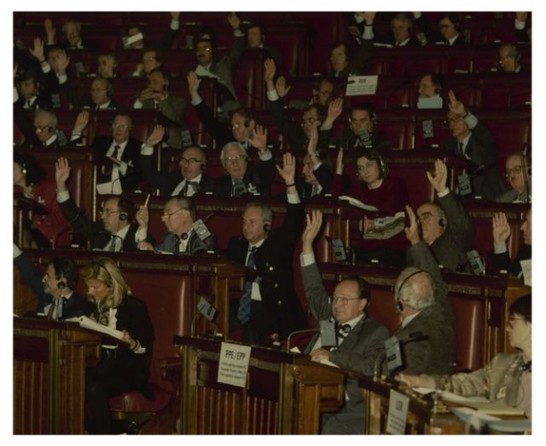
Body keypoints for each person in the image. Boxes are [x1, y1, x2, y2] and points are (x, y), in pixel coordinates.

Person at [300, 209, 389, 434]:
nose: (337, 304)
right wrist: (308, 245)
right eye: (335, 299)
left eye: (345, 300)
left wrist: (332, 356)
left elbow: (372, 366)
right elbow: (313, 288)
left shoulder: (376, 332)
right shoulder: (328, 317)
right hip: (307, 390)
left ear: (362, 304)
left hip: (346, 404)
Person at [398, 294, 532, 421]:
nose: (508, 329)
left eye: (512, 322)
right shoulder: (502, 364)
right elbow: (465, 384)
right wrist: (422, 381)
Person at [223, 153, 306, 345]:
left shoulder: (277, 245)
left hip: (271, 310)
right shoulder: (237, 246)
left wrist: (291, 185)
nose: (246, 227)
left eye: (252, 222)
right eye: (244, 222)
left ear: (267, 224)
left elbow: (294, 221)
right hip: (238, 308)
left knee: (252, 332)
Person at [81, 257, 154, 434]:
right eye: (89, 286)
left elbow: (144, 348)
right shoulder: (94, 307)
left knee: (93, 386)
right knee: (74, 378)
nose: (91, 292)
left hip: (128, 370)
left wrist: (133, 343)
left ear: (111, 285)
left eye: (95, 287)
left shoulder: (134, 307)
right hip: (102, 365)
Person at [386, 205, 456, 376]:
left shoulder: (419, 333)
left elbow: (434, 280)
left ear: (399, 303)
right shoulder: (437, 315)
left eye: (426, 216)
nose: (420, 221)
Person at [331, 148, 409, 267]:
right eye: (360, 168)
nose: (365, 171)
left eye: (369, 165)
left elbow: (389, 209)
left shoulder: (396, 184)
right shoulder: (358, 190)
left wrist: (366, 218)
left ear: (380, 164)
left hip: (393, 247)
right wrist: (338, 171)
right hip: (366, 248)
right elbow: (336, 203)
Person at [55, 157, 149, 251]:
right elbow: (74, 217)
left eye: (108, 212)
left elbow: (142, 254)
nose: (103, 216)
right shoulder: (100, 231)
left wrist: (143, 227)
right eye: (102, 212)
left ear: (123, 216)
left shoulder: (137, 236)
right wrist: (61, 184)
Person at [441, 90, 505, 201]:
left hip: (486, 197)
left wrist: (464, 114)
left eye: (456, 119)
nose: (452, 124)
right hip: (457, 199)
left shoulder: (482, 142)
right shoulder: (447, 147)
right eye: (450, 120)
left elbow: (482, 132)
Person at [413, 159, 474, 272]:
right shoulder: (413, 248)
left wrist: (442, 190)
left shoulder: (452, 244)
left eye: (426, 217)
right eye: (418, 219)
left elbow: (462, 226)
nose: (420, 222)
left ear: (442, 222)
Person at [263, 58, 334, 150]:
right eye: (304, 121)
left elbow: (325, 133)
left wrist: (330, 119)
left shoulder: (326, 138)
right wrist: (269, 81)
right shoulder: (298, 137)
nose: (306, 125)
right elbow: (280, 116)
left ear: (320, 122)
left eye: (311, 120)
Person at [13, 244, 90, 319]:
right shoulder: (46, 295)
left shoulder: (78, 308)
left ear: (62, 281)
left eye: (48, 276)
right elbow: (30, 274)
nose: (43, 279)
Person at [192, 12, 245, 120]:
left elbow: (237, 52)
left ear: (213, 51)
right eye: (198, 49)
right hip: (200, 116)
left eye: (206, 48)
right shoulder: (191, 72)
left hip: (227, 115)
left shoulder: (224, 66)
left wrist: (236, 29)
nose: (201, 52)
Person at [187, 70, 260, 149]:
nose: (234, 129)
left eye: (238, 124)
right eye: (232, 125)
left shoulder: (262, 143)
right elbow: (208, 119)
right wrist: (194, 93)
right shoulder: (226, 138)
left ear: (251, 124)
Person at [76, 112, 143, 194]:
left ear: (130, 129)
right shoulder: (99, 142)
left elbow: (138, 174)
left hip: (123, 191)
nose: (118, 129)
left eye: (122, 126)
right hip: (94, 187)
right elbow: (81, 156)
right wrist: (77, 131)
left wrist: (116, 161)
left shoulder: (138, 148)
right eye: (116, 125)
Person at [14, 152, 71, 248]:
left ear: (25, 170)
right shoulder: (12, 192)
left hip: (47, 236)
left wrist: (35, 218)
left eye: (13, 169)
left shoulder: (48, 189)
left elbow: (60, 221)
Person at [140, 126, 214, 196]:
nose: (186, 165)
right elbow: (149, 173)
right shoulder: (173, 179)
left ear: (203, 165)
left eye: (192, 161)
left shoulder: (211, 186)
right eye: (184, 160)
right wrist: (148, 146)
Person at [136, 196, 216, 255]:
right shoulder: (169, 238)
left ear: (185, 214)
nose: (163, 219)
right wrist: (143, 225)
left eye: (169, 213)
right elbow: (146, 253)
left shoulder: (201, 229)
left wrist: (158, 253)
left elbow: (201, 259)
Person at [133, 68, 187, 149]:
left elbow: (175, 119)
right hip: (147, 140)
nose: (151, 85)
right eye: (150, 82)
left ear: (166, 82)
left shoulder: (179, 102)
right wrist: (140, 101)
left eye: (155, 82)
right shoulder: (147, 102)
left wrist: (162, 100)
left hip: (171, 142)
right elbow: (134, 119)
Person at [213, 134, 276, 198]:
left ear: (246, 160)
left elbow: (268, 170)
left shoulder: (258, 177)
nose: (235, 163)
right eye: (229, 159)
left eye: (238, 158)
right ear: (224, 165)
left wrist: (262, 149)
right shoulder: (219, 185)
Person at [328, 12, 374, 77]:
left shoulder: (353, 71)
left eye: (340, 55)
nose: (335, 59)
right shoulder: (328, 78)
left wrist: (369, 23)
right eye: (332, 55)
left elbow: (365, 51)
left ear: (347, 58)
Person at [489, 208, 531, 278]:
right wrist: (500, 243)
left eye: (527, 222)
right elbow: (508, 278)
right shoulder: (526, 250)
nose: (522, 227)